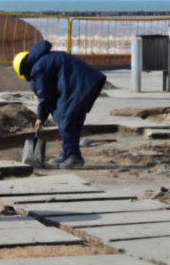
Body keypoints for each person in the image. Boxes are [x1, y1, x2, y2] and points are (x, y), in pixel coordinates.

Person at [13, 40, 106, 169]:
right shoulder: (45, 59)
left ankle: (74, 156)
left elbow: (45, 96)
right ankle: (67, 153)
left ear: (23, 68)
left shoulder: (38, 68)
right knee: (71, 119)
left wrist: (40, 117)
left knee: (65, 118)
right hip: (86, 84)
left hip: (78, 87)